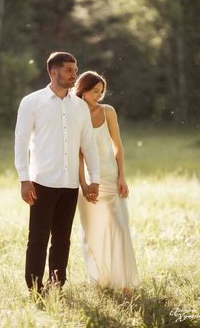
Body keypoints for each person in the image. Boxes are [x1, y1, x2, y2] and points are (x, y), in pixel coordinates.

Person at [14, 52, 100, 295]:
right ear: (53, 72)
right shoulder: (31, 102)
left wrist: (94, 179)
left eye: (75, 69)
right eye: (69, 70)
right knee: (38, 239)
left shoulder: (80, 106)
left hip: (70, 183)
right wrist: (24, 179)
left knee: (62, 240)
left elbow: (89, 144)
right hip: (42, 182)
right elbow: (21, 144)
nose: (75, 74)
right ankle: (34, 288)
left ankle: (56, 286)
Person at [75, 71, 140, 294]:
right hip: (87, 181)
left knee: (120, 227)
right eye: (95, 91)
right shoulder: (74, 112)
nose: (99, 96)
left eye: (101, 92)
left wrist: (122, 176)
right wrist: (83, 185)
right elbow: (78, 154)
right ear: (83, 89)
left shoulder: (108, 111)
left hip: (111, 178)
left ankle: (125, 282)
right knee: (92, 230)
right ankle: (101, 279)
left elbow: (118, 146)